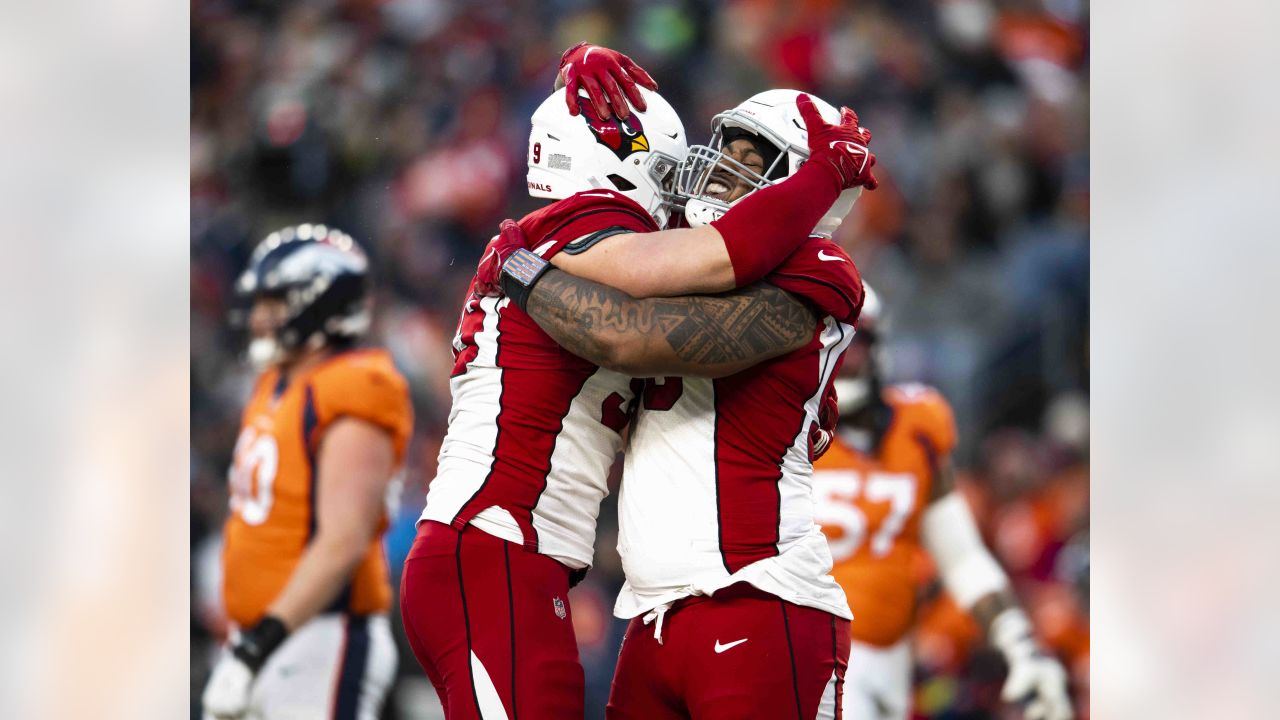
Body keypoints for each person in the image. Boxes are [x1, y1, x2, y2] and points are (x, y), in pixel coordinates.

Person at [398, 59, 878, 717]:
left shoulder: (817, 267)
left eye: (750, 162)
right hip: (627, 604)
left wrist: (519, 268)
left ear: (800, 187)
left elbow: (634, 335)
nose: (718, 174)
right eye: (723, 156)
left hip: (758, 592)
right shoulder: (633, 242)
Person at [812, 286, 1074, 720]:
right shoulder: (781, 431)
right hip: (804, 653)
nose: (843, 358)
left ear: (878, 345)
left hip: (890, 659)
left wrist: (1019, 642)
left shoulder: (917, 427)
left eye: (853, 345)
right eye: (831, 343)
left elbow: (962, 557)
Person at [202, 225, 414, 720]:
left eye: (273, 304)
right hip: (258, 638)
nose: (257, 319)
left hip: (316, 638)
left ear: (318, 305)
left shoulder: (356, 385)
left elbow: (342, 539)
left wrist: (258, 644)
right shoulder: (278, 383)